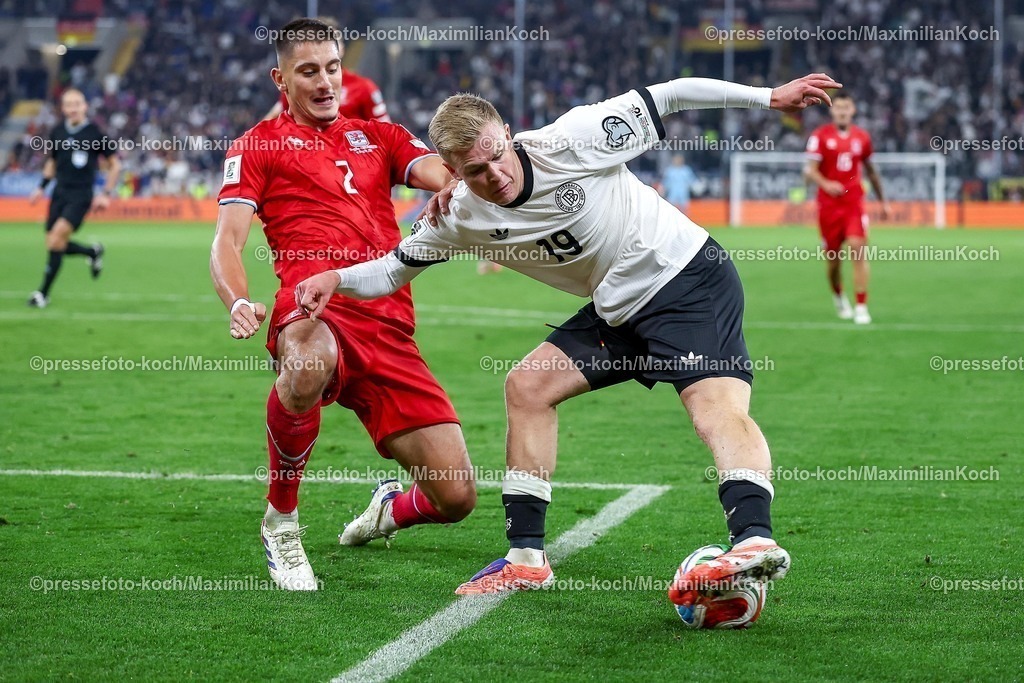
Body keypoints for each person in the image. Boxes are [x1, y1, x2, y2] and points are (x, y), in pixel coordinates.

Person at [295, 73, 842, 615]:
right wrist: (334, 279)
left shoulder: (577, 137)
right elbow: (391, 272)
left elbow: (671, 94)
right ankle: (526, 559)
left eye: (498, 156)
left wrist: (768, 96)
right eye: (475, 172)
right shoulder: (458, 213)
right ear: (452, 173)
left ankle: (753, 541)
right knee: (528, 386)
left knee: (713, 410)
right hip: (616, 306)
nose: (496, 176)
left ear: (507, 132)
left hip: (686, 279)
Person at [211, 18, 475, 592]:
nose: (327, 81)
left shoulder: (378, 136)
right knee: (306, 360)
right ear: (281, 78)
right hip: (311, 308)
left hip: (388, 325)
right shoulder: (257, 146)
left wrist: (456, 179)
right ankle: (281, 522)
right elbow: (226, 240)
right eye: (310, 71)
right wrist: (237, 300)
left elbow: (432, 170)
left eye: (333, 67)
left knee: (455, 497)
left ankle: (389, 510)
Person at [27, 88, 120, 308]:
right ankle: (92, 251)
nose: (73, 108)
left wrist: (106, 193)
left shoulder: (95, 133)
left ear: (85, 106)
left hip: (81, 194)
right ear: (63, 108)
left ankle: (42, 294)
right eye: (69, 104)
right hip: (59, 193)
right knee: (54, 242)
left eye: (77, 103)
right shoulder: (58, 131)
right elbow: (52, 162)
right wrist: (41, 187)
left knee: (57, 236)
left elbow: (115, 165)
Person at [804, 91, 889, 324]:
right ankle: (839, 295)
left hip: (853, 204)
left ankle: (861, 305)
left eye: (846, 107)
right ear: (832, 110)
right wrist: (825, 182)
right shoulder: (820, 136)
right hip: (828, 207)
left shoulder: (862, 137)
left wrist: (883, 201)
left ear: (853, 110)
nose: (842, 111)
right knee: (833, 262)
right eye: (838, 107)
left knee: (858, 249)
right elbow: (810, 170)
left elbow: (871, 171)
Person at [262, 29, 389, 123]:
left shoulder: (364, 87)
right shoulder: (296, 85)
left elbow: (385, 130)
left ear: (342, 49)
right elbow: (279, 121)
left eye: (334, 44)